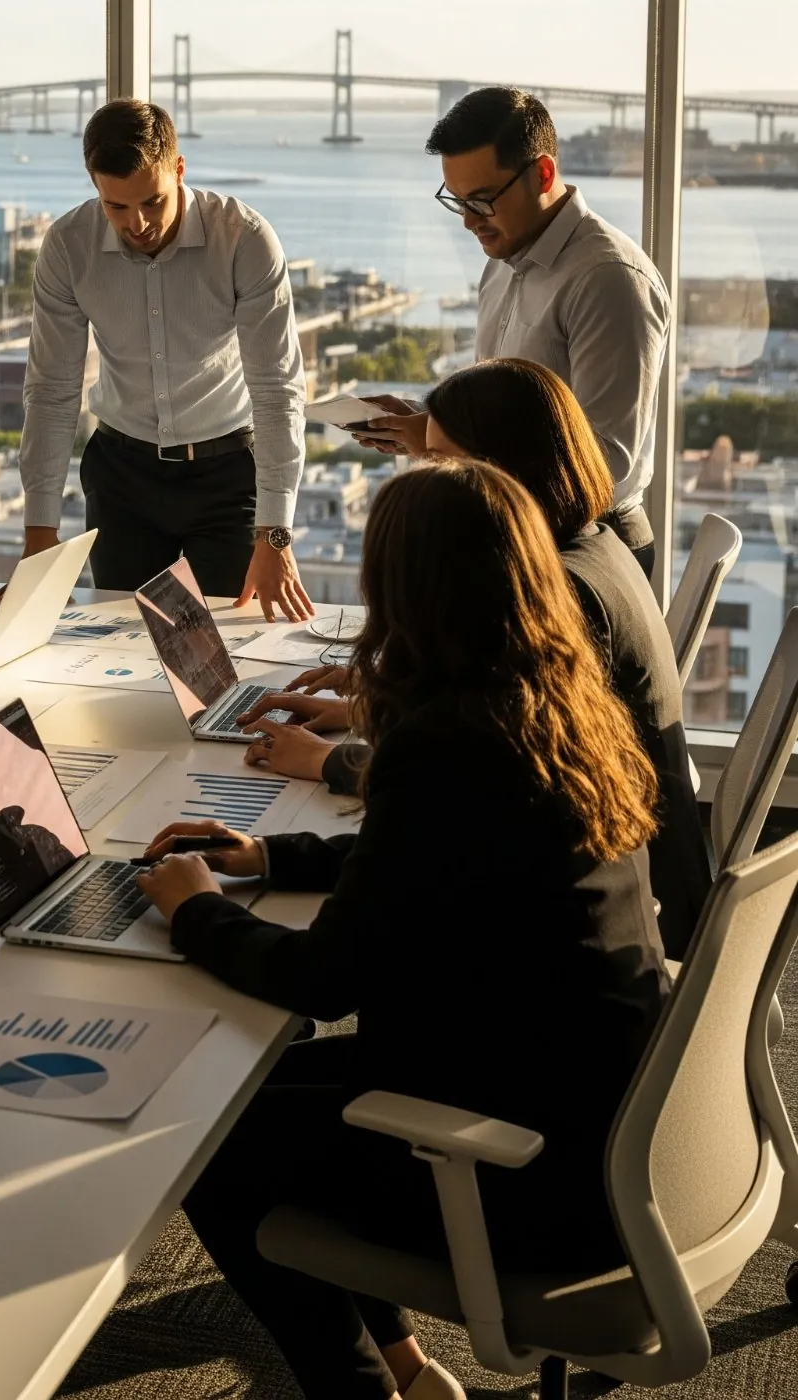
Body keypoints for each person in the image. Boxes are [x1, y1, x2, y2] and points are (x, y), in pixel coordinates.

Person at [135, 460, 669, 1400]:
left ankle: (361, 1390)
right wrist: (268, 859)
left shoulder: (449, 741)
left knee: (213, 1143)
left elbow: (325, 980)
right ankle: (405, 1372)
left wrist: (195, 911)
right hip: (597, 1112)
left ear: (409, 589)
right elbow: (443, 865)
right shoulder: (558, 702)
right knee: (248, 1093)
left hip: (521, 1166)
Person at [248, 359, 711, 959]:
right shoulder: (590, 545)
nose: (430, 477)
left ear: (502, 473)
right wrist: (378, 698)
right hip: (607, 879)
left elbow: (471, 772)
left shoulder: (562, 593)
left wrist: (336, 761)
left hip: (590, 913)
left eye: (445, 463)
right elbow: (500, 747)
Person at [358, 87, 670, 578]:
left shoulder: (607, 279)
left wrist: (444, 441)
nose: (467, 222)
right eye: (456, 202)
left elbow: (604, 465)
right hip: (523, 533)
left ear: (543, 173)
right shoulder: (503, 261)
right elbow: (501, 413)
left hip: (589, 552)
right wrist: (429, 420)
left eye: (482, 201)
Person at [19, 98, 311, 616]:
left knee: (234, 643)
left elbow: (278, 390)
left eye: (152, 201)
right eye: (117, 207)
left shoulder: (244, 239)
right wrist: (39, 535)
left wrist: (276, 537)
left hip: (228, 476)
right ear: (95, 185)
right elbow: (51, 392)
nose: (137, 223)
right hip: (121, 478)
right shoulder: (68, 246)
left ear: (178, 169)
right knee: (123, 643)